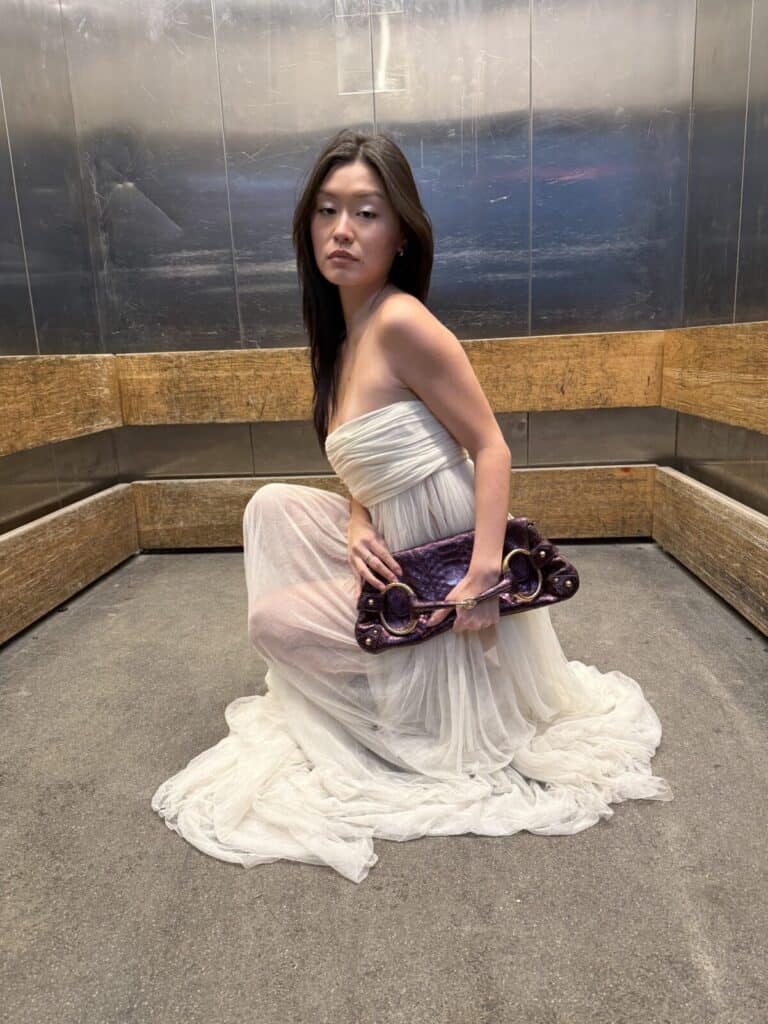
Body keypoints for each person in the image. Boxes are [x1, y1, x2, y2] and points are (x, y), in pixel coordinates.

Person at [151, 129, 673, 883]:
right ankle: (386, 653)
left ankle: (416, 671)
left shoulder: (400, 321)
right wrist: (359, 519)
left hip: (444, 549)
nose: (342, 230)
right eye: (328, 210)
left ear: (400, 234)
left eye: (366, 213)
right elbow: (368, 462)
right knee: (269, 505)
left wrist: (484, 576)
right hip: (393, 524)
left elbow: (490, 447)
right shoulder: (342, 332)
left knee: (272, 623)